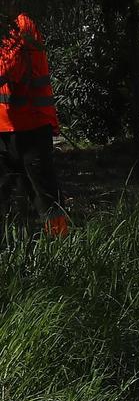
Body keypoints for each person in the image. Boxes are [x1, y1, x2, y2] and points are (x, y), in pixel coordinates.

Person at [0, 13, 67, 235]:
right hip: (4, 128)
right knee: (9, 195)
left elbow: (8, 68)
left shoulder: (21, 25)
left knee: (44, 195)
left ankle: (62, 246)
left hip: (32, 126)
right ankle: (19, 248)